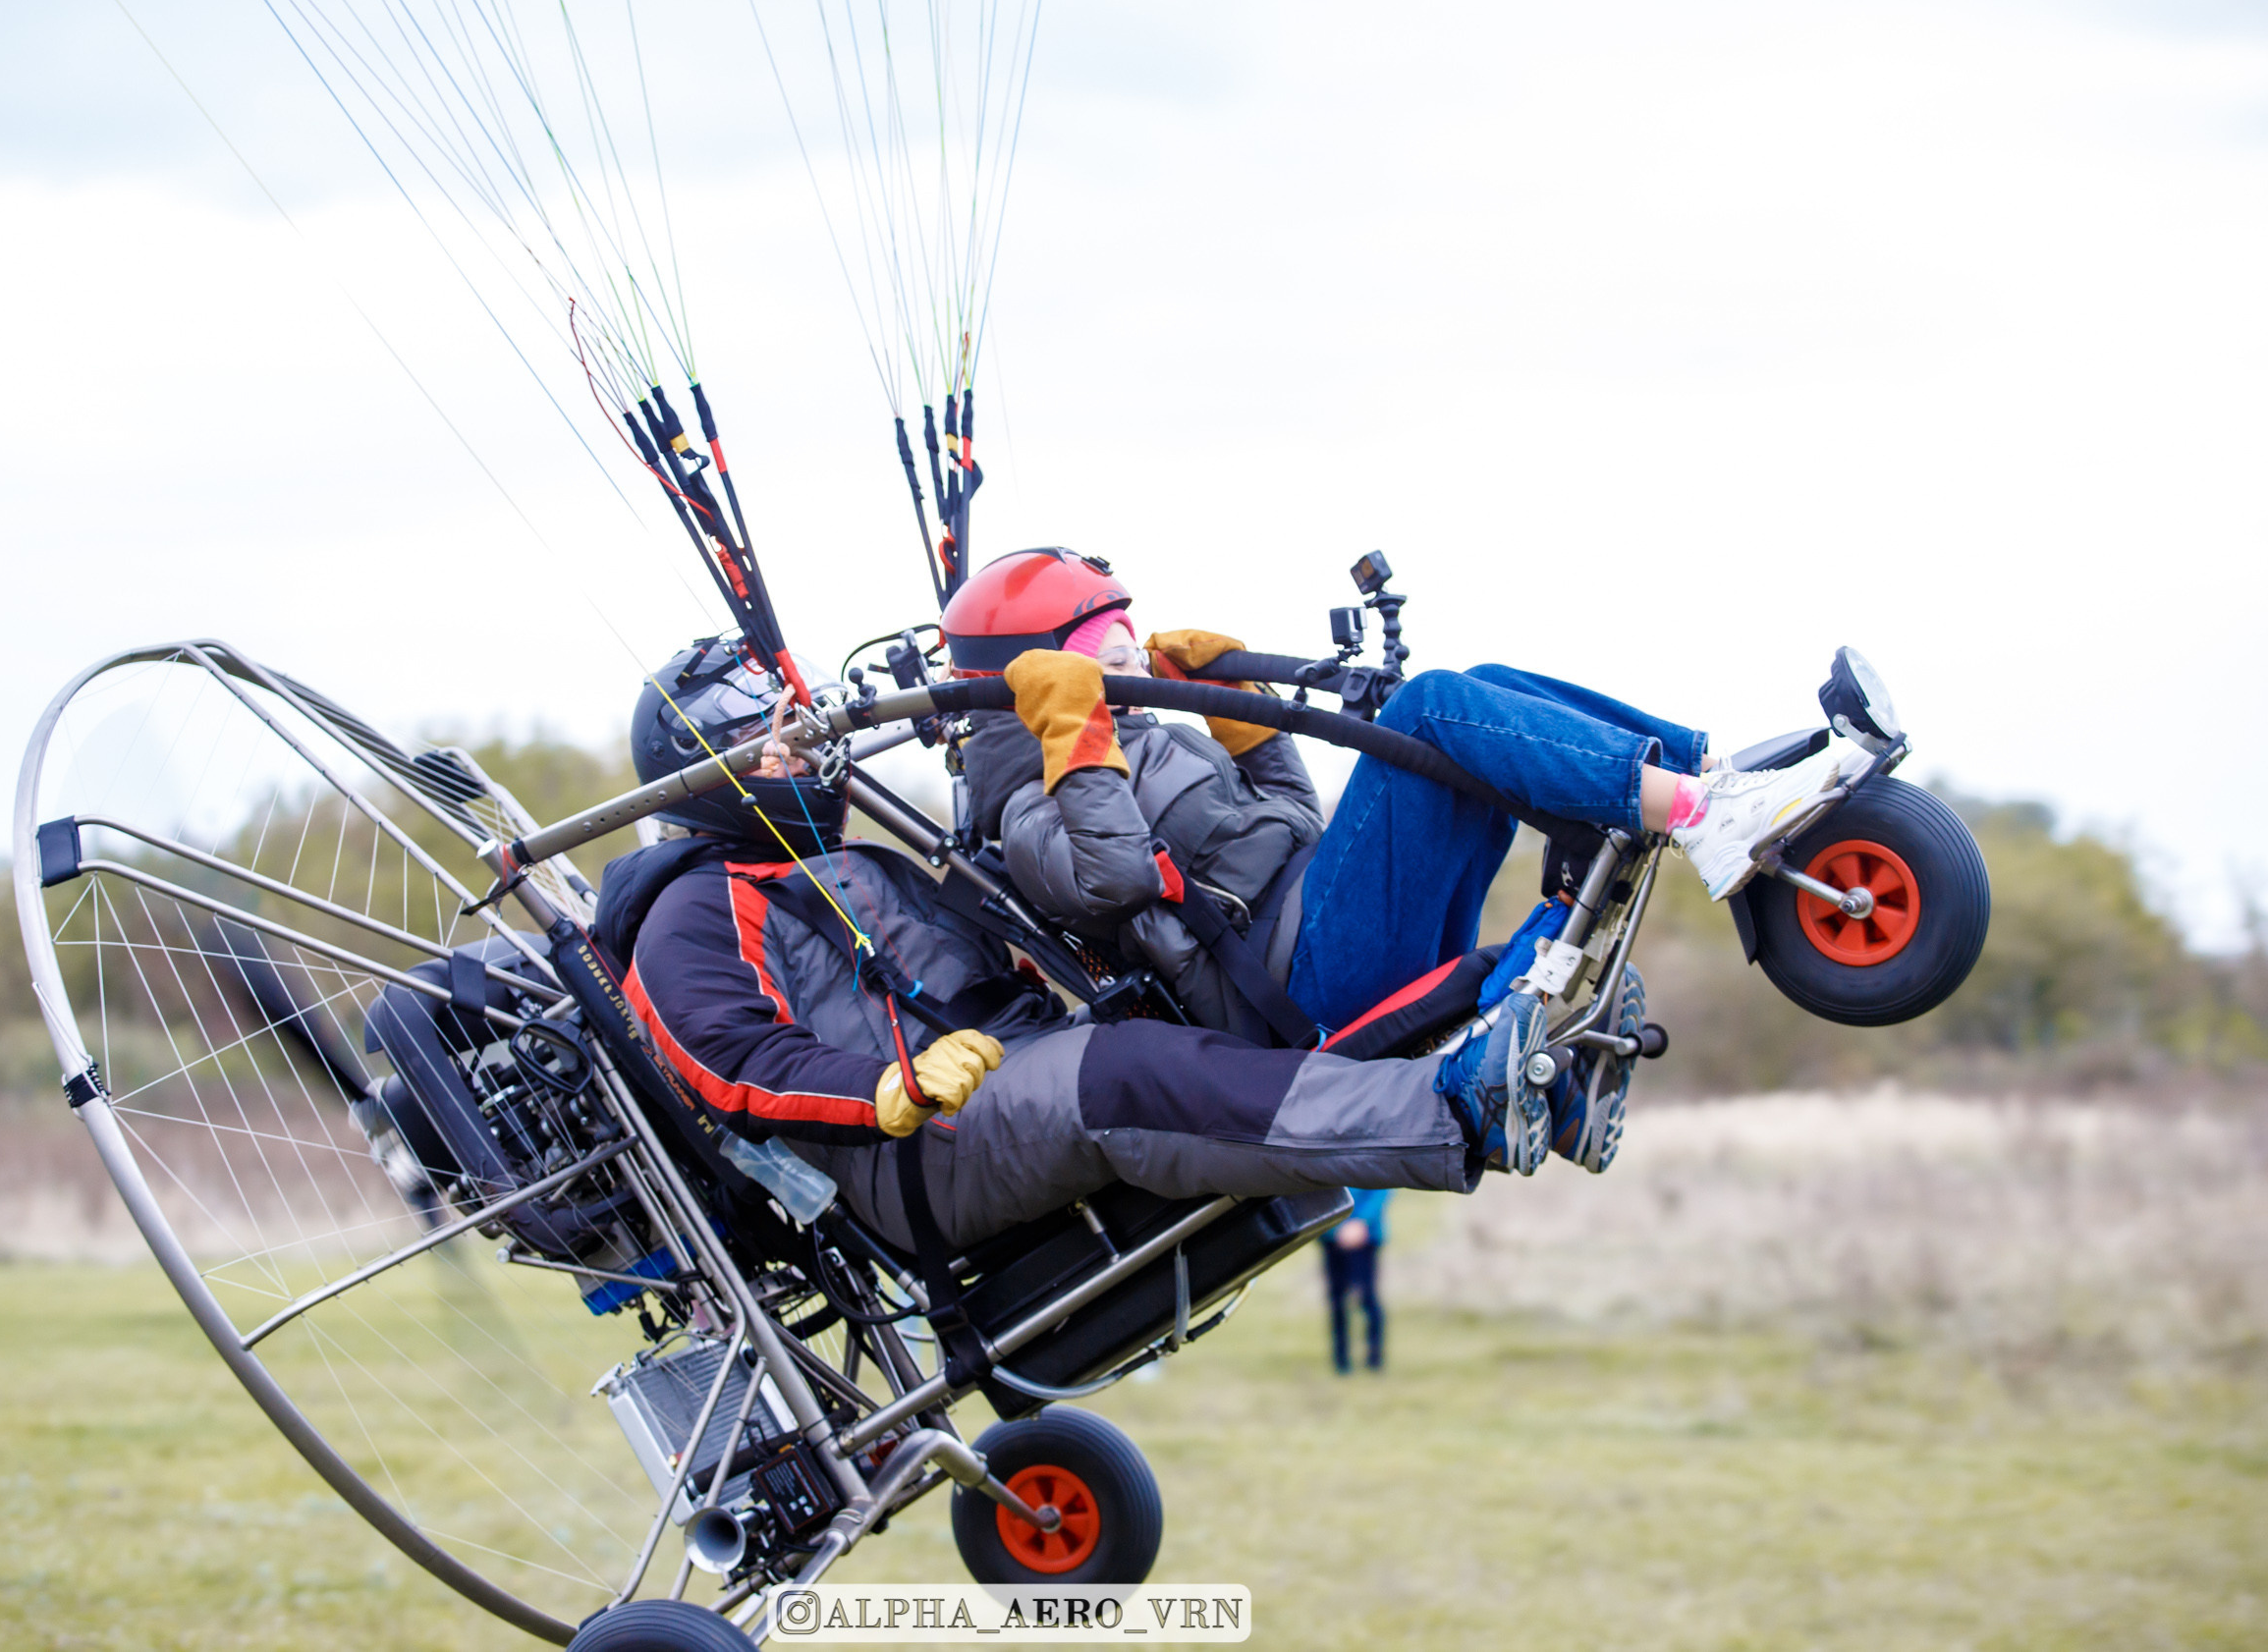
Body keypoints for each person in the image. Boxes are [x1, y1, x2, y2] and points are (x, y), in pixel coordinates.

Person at [595, 633, 1559, 1260]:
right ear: (705, 774)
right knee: (1123, 1070)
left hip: (1003, 1076)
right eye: (776, 749)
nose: (804, 761)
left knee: (1176, 1021)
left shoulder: (861, 871)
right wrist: (887, 1089)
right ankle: (1458, 1112)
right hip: (913, 1152)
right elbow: (726, 1057)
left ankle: (1533, 1014)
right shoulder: (692, 906)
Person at [942, 547, 1863, 1176]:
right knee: (1428, 709)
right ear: (1040, 669)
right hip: (1297, 984)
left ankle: (1710, 777)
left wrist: (1238, 706)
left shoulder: (1135, 740)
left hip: (1330, 914)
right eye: (1102, 641)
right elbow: (1116, 875)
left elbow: (1295, 820)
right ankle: (1706, 814)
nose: (1124, 653)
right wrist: (1074, 732)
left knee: (1485, 692)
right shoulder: (1028, 806)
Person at [1323, 1187, 1389, 1374]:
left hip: (1366, 1235)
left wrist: (1361, 1222)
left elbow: (1383, 1186)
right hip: (1332, 1234)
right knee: (1337, 1300)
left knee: (1367, 1297)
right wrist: (1336, 1227)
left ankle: (1375, 1360)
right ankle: (1341, 1362)